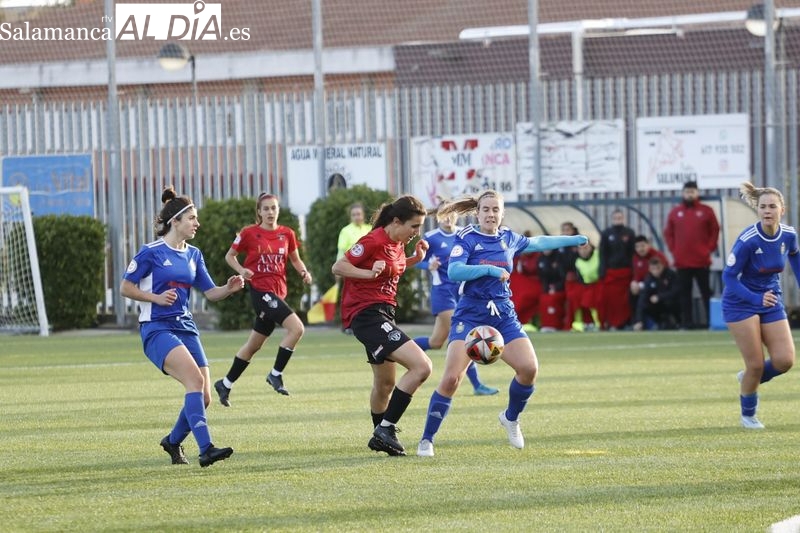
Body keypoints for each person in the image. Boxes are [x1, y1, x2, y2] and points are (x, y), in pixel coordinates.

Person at [416, 190, 587, 457]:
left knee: (529, 369)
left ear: (502, 213)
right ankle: (427, 439)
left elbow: (538, 242)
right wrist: (489, 269)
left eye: (495, 210)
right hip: (470, 314)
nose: (490, 214)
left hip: (503, 314)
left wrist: (572, 240)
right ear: (477, 213)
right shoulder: (467, 237)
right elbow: (455, 270)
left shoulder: (508, 238)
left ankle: (510, 418)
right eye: (486, 209)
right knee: (451, 379)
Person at [120, 186, 244, 467]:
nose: (197, 223)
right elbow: (125, 287)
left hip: (185, 327)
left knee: (205, 397)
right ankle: (206, 449)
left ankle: (173, 441)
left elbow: (210, 292)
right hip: (157, 328)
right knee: (195, 382)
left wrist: (228, 288)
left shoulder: (194, 254)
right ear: (175, 221)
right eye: (192, 218)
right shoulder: (150, 252)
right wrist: (155, 298)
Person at [331, 195, 433, 456]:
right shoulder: (373, 240)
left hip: (384, 314)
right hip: (367, 315)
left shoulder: (398, 243)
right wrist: (368, 273)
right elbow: (339, 267)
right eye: (414, 226)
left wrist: (415, 258)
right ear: (396, 221)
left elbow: (392, 268)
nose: (416, 232)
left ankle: (381, 436)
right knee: (422, 366)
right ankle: (385, 429)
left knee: (385, 384)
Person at [213, 193, 313, 405]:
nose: (270, 212)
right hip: (260, 292)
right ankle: (275, 374)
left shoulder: (287, 233)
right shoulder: (249, 233)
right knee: (297, 329)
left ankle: (225, 383)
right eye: (265, 208)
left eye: (273, 208)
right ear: (259, 212)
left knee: (253, 346)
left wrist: (304, 272)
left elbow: (295, 260)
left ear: (278, 210)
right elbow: (230, 256)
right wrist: (242, 270)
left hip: (277, 293)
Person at [722, 182, 799, 430]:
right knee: (755, 364)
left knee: (784, 360)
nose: (767, 211)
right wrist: (755, 299)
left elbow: (795, 256)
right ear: (758, 210)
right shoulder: (748, 240)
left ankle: (749, 378)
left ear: (782, 210)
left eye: (772, 206)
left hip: (771, 300)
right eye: (763, 206)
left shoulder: (789, 234)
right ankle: (748, 416)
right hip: (740, 302)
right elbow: (728, 277)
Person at [413, 210, 499, 396]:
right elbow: (415, 260)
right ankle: (477, 385)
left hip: (462, 292)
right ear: (438, 217)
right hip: (442, 292)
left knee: (436, 342)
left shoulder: (464, 234)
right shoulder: (431, 237)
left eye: (451, 215)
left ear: (457, 216)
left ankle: (399, 348)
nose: (448, 218)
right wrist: (427, 265)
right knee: (465, 336)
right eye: (444, 215)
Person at [664, 180, 720, 329]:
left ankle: (711, 322)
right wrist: (674, 250)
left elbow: (715, 230)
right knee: (684, 294)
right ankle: (687, 323)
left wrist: (709, 248)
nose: (690, 195)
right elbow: (668, 233)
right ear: (683, 193)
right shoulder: (675, 212)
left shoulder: (706, 211)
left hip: (702, 260)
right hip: (682, 261)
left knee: (705, 292)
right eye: (687, 192)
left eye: (692, 192)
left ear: (697, 193)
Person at [335, 202, 372, 333]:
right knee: (350, 298)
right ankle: (348, 324)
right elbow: (341, 251)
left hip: (368, 270)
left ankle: (367, 323)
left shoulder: (370, 229)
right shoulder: (346, 231)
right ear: (350, 217)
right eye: (354, 215)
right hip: (351, 269)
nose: (357, 217)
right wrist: (338, 268)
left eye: (359, 214)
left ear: (363, 215)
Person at [598, 209, 636, 330]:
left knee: (625, 301)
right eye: (615, 218)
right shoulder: (606, 233)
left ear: (623, 219)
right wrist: (602, 271)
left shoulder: (629, 233)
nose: (618, 220)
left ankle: (626, 322)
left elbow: (632, 254)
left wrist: (633, 272)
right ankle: (612, 322)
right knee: (611, 300)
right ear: (612, 219)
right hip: (611, 273)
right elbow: (603, 254)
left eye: (620, 218)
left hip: (625, 273)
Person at [632, 257, 680, 331]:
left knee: (673, 301)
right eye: (653, 269)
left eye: (658, 268)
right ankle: (656, 323)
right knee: (645, 304)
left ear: (662, 266)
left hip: (672, 302)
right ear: (649, 269)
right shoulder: (648, 278)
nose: (656, 271)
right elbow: (642, 299)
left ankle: (678, 322)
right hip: (657, 306)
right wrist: (639, 320)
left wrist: (659, 297)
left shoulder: (671, 274)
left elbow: (676, 291)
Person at [629, 235, 670, 318]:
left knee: (646, 294)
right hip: (644, 285)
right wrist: (634, 282)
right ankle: (637, 320)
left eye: (642, 246)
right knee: (631, 292)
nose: (640, 249)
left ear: (648, 245)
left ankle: (659, 319)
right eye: (637, 247)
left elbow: (665, 274)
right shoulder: (635, 258)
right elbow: (636, 275)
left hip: (657, 285)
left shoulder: (658, 256)